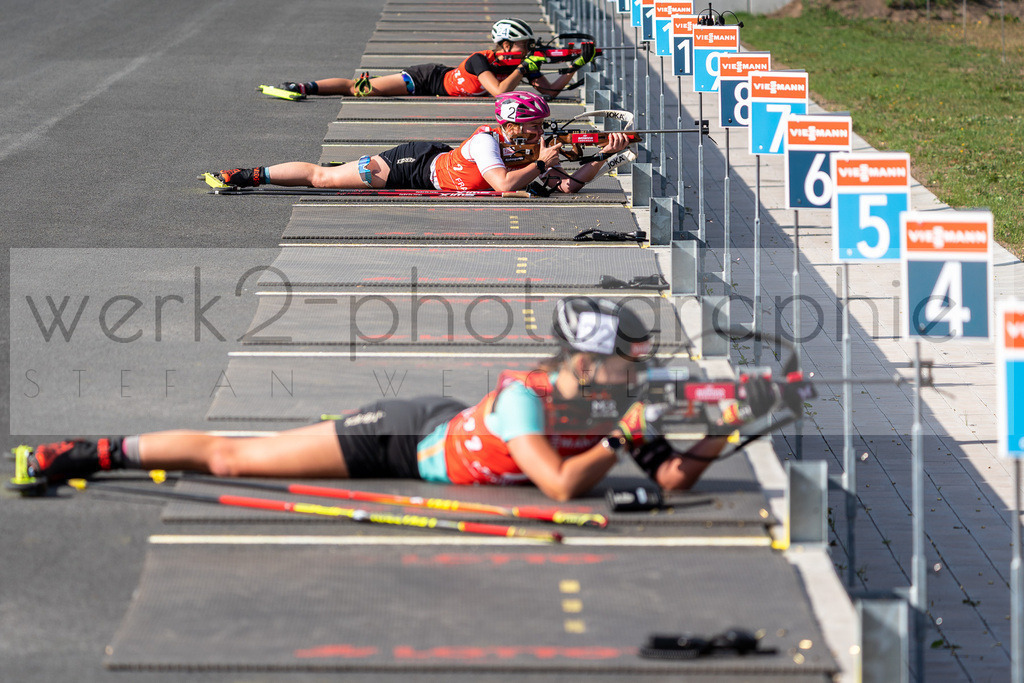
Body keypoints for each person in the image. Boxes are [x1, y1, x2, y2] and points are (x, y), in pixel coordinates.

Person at [23, 298, 782, 502]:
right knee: (233, 458)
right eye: (630, 360)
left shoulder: (613, 403)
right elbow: (560, 486)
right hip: (402, 438)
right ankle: (91, 451)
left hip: (446, 429)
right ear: (588, 361)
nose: (641, 371)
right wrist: (619, 438)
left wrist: (728, 426)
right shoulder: (528, 402)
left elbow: (671, 478)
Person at [207, 92, 630, 195]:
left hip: (441, 165)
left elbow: (568, 186)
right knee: (323, 179)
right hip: (413, 165)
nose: (540, 133)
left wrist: (604, 156)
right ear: (510, 126)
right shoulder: (488, 142)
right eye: (533, 127)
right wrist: (540, 164)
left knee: (333, 174)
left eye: (540, 127)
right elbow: (504, 185)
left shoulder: (526, 149)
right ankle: (248, 175)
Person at [272, 18, 594, 100]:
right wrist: (524, 68)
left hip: (443, 83)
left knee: (364, 89)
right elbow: (499, 92)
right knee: (361, 89)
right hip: (427, 79)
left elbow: (550, 92)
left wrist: (575, 66)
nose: (528, 50)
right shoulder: (480, 60)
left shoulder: (517, 66)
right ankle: (304, 86)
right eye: (524, 45)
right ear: (506, 45)